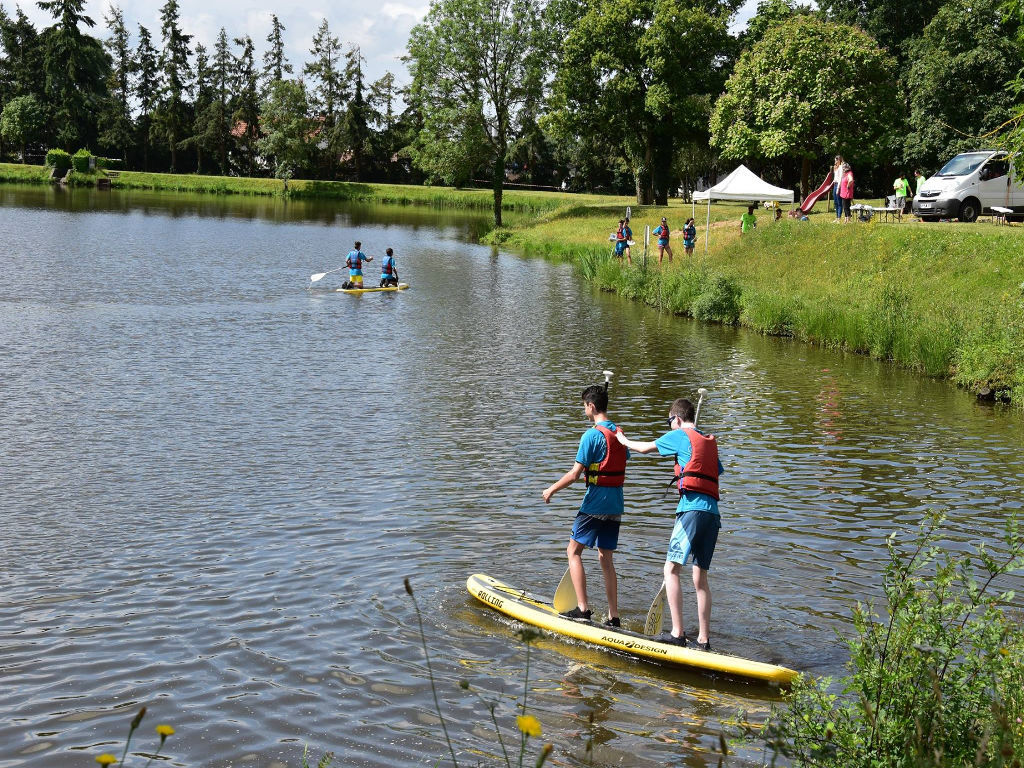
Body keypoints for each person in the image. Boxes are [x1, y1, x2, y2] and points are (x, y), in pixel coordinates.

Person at [615, 397, 723, 650]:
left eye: (669, 421)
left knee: (671, 569)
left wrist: (623, 440)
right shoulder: (709, 442)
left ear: (676, 418)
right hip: (712, 514)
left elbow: (644, 449)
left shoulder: (680, 434)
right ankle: (704, 640)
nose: (669, 426)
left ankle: (677, 633)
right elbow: (714, 470)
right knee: (700, 577)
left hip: (691, 511)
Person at [542, 384, 629, 626]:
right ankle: (613, 617)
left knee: (573, 552)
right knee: (605, 557)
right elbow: (616, 461)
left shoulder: (591, 435)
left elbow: (574, 474)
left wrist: (551, 489)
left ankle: (583, 610)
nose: (584, 410)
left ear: (591, 406)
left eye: (584, 406)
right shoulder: (619, 433)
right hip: (616, 504)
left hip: (595, 503)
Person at [832, 155, 844, 220]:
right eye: (835, 160)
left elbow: (840, 178)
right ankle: (836, 217)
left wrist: (838, 188)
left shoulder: (841, 167)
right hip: (835, 184)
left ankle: (839, 218)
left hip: (839, 185)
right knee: (835, 202)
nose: (835, 161)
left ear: (840, 160)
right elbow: (835, 178)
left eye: (836, 160)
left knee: (839, 202)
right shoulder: (836, 167)